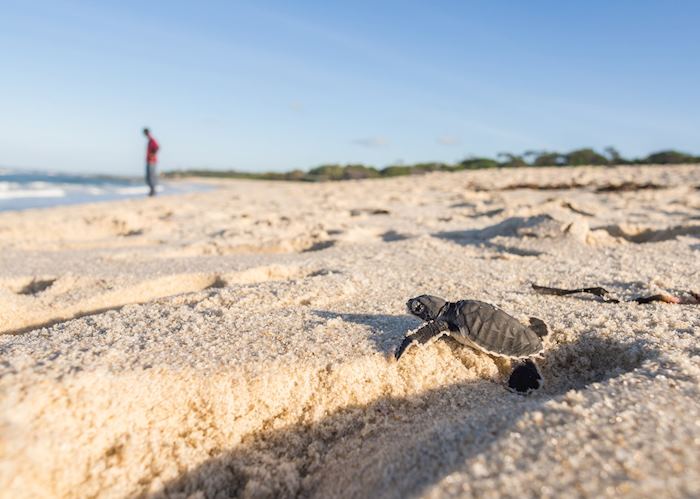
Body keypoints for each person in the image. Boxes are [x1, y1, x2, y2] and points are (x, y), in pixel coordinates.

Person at [143, 127, 160, 196]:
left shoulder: (152, 140)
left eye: (145, 133)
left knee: (151, 177)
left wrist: (152, 155)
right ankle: (152, 191)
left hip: (152, 161)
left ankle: (153, 191)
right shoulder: (150, 140)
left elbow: (157, 147)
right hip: (149, 161)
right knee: (148, 177)